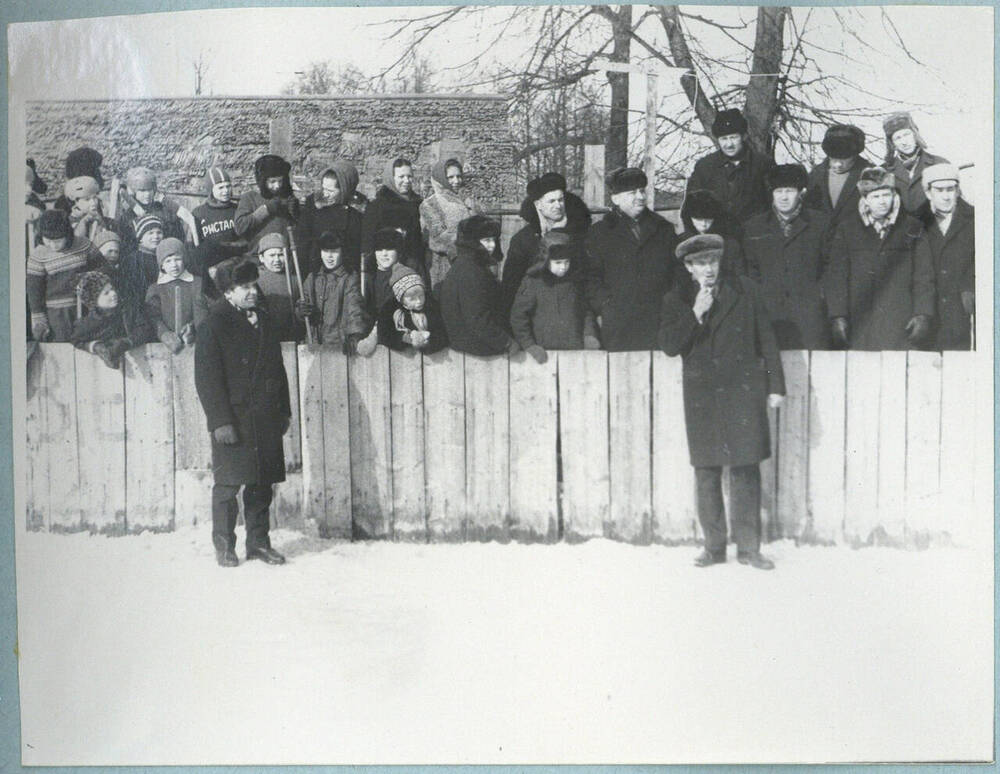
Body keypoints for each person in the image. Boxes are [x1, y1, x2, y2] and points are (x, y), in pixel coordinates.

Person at [659, 234, 785, 570]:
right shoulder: (677, 299)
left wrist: (776, 385)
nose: (709, 269)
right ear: (689, 267)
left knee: (745, 468)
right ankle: (713, 547)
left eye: (713, 261)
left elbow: (767, 340)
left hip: (743, 391)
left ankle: (749, 548)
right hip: (703, 396)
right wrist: (695, 314)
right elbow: (670, 346)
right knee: (707, 471)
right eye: (701, 263)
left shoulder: (745, 290)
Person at [194, 259, 291, 568]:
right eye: (244, 287)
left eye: (253, 285)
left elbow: (278, 368)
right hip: (234, 419)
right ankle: (224, 545)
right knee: (228, 485)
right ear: (228, 292)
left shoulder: (264, 319)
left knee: (261, 483)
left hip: (265, 415)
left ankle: (259, 543)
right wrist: (220, 421)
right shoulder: (213, 324)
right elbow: (207, 379)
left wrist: (283, 410)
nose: (252, 292)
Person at [825, 167, 934, 351]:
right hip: (860, 323)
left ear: (893, 194)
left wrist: (923, 313)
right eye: (875, 197)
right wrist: (838, 316)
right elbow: (837, 276)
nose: (882, 202)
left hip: (901, 322)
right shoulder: (847, 229)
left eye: (886, 195)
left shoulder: (912, 227)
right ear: (865, 199)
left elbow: (924, 275)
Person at [584, 166, 678, 351]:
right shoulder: (599, 234)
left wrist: (670, 304)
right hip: (618, 327)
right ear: (615, 198)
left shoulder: (663, 229)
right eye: (632, 192)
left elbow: (677, 273)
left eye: (642, 191)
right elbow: (590, 278)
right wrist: (606, 307)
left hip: (658, 324)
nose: (640, 197)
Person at [742, 164, 833, 349]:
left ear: (801, 193)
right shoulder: (754, 227)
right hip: (771, 316)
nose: (783, 197)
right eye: (778, 191)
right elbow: (750, 269)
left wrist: (819, 296)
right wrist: (762, 298)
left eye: (789, 191)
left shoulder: (820, 224)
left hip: (810, 316)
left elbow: (831, 266)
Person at [500, 172, 591, 322]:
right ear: (538, 205)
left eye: (561, 200)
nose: (558, 205)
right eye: (551, 201)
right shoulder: (523, 240)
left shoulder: (578, 235)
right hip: (536, 317)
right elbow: (511, 286)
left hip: (571, 315)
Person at [509, 229, 600, 361]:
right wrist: (529, 345)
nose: (563, 267)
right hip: (544, 352)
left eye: (567, 262)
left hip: (574, 350)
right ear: (546, 261)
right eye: (558, 263)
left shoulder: (575, 282)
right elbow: (518, 317)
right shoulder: (533, 282)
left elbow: (585, 311)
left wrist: (589, 335)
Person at [914, 163, 975, 351]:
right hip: (927, 315)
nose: (946, 196)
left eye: (951, 189)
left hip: (962, 314)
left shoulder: (975, 219)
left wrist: (970, 288)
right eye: (939, 190)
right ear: (928, 192)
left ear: (958, 190)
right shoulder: (915, 222)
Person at [439, 215, 517, 356]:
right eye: (486, 240)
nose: (492, 245)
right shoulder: (471, 271)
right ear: (472, 242)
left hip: (469, 344)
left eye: (493, 240)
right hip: (476, 348)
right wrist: (506, 342)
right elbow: (477, 318)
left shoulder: (469, 265)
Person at [686, 108, 774, 223]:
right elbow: (690, 207)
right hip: (718, 234)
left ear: (743, 136)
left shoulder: (763, 164)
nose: (729, 144)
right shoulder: (705, 166)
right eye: (724, 139)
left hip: (754, 235)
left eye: (733, 137)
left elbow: (773, 204)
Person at [27, 209, 102, 342]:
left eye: (57, 241)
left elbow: (102, 267)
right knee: (63, 345)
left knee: (86, 343)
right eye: (48, 240)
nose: (52, 245)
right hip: (57, 314)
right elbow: (35, 291)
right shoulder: (38, 256)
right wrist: (38, 317)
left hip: (85, 307)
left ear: (67, 235)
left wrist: (93, 282)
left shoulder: (83, 245)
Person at [296, 231, 370, 351]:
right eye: (325, 251)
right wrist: (301, 310)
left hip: (338, 345)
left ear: (342, 252)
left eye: (334, 251)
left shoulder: (349, 278)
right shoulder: (312, 278)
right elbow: (302, 301)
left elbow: (354, 308)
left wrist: (355, 335)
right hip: (313, 343)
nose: (329, 256)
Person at [71, 271, 156, 369]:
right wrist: (95, 346)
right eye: (106, 293)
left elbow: (145, 329)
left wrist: (127, 342)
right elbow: (76, 340)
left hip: (141, 364)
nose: (113, 294)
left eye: (112, 289)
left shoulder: (128, 310)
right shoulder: (88, 322)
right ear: (94, 301)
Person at [361, 157, 426, 286]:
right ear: (391, 177)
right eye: (401, 177)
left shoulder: (418, 204)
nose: (406, 181)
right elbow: (368, 244)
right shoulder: (378, 207)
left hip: (413, 269)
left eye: (409, 176)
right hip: (386, 272)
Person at [420, 158, 481, 292]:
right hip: (444, 266)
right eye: (450, 177)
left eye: (459, 176)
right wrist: (468, 243)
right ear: (440, 178)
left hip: (471, 263)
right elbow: (440, 237)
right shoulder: (430, 204)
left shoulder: (466, 201)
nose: (456, 181)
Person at [296, 160, 363, 278]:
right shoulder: (312, 206)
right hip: (315, 271)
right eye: (324, 188)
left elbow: (355, 250)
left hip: (344, 275)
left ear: (345, 190)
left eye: (331, 191)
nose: (325, 194)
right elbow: (303, 243)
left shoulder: (357, 212)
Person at [804, 124, 873, 232]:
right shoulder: (816, 175)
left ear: (855, 155)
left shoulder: (869, 174)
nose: (838, 164)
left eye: (844, 159)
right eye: (833, 158)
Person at [144, 238, 205, 354]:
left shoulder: (197, 283)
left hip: (195, 346)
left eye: (177, 259)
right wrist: (165, 334)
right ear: (161, 265)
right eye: (168, 261)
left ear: (184, 259)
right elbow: (153, 317)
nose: (174, 265)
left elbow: (204, 312)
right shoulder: (156, 289)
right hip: (164, 349)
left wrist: (192, 327)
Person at [883, 112, 949, 215]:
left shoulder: (939, 164)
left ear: (915, 135)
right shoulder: (883, 172)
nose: (904, 142)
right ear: (892, 144)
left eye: (906, 134)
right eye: (898, 138)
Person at [233, 153, 300, 255]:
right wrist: (266, 210)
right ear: (263, 181)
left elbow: (296, 231)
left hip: (284, 257)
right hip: (258, 256)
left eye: (280, 181)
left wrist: (295, 214)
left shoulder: (287, 197)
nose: (277, 186)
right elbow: (240, 227)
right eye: (272, 182)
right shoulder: (250, 198)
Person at [191, 166, 247, 284]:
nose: (225, 191)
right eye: (220, 187)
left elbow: (246, 240)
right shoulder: (199, 213)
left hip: (237, 265)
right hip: (211, 269)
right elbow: (195, 246)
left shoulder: (237, 209)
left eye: (228, 186)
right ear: (211, 189)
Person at [377, 264, 448, 354]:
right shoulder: (390, 310)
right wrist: (407, 338)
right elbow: (385, 333)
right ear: (401, 299)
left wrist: (429, 341)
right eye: (412, 299)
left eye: (421, 296)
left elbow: (442, 330)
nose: (419, 301)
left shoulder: (432, 306)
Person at [117, 166, 187, 249]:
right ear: (133, 191)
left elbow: (179, 238)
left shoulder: (166, 211)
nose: (147, 194)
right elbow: (126, 244)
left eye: (149, 190)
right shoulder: (128, 216)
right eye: (142, 191)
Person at [254, 231, 305, 343]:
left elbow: (299, 311)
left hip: (290, 337)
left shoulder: (295, 280)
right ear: (261, 257)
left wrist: (300, 313)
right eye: (272, 255)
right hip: (265, 338)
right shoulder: (255, 280)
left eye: (281, 255)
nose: (277, 260)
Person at [678, 188, 745, 274]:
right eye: (698, 219)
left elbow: (740, 277)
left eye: (708, 219)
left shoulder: (730, 244)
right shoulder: (678, 243)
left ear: (716, 218)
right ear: (688, 218)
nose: (704, 224)